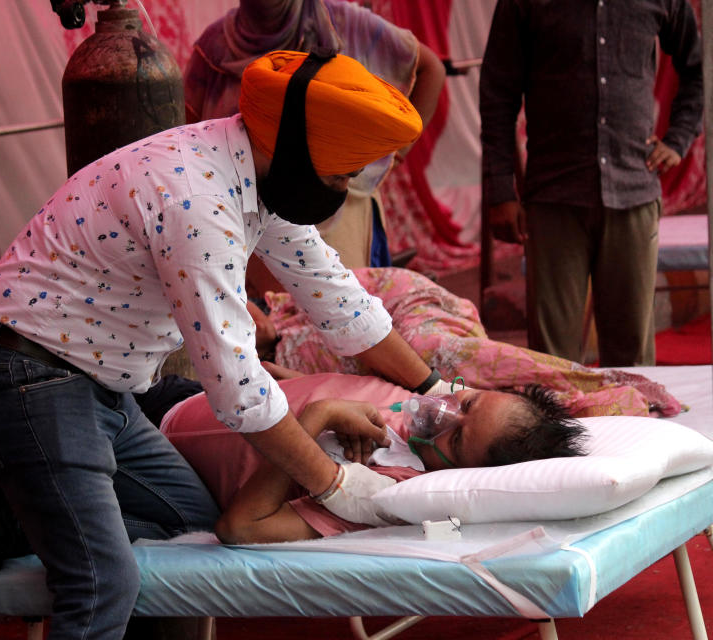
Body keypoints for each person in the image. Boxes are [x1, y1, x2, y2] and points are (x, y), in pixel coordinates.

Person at [0, 50, 451, 640]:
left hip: (98, 390)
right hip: (28, 379)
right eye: (339, 176)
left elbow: (341, 302)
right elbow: (239, 389)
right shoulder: (198, 201)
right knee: (102, 582)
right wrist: (337, 486)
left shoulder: (255, 172)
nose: (340, 190)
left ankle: (12, 512)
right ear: (299, 153)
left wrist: (439, 390)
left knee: (191, 526)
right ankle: (6, 505)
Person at [479, 0, 703, 367]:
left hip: (633, 192)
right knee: (552, 360)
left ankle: (633, 426)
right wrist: (501, 190)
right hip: (553, 197)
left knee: (632, 358)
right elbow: (497, 94)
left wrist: (678, 140)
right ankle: (560, 427)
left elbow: (698, 69)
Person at [159, 373, 585, 543]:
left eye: (455, 443)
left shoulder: (389, 496)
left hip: (160, 451)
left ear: (461, 475)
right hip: (189, 393)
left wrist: (317, 414)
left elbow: (239, 528)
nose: (444, 413)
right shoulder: (411, 403)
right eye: (468, 401)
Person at [184, 0, 446, 273]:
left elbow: (431, 69)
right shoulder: (214, 45)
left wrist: (387, 154)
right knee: (265, 308)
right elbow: (189, 125)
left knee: (332, 293)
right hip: (246, 204)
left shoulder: (342, 22)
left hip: (336, 211)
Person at [255, 266, 684, 418]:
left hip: (402, 310)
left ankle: (594, 381)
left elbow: (352, 304)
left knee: (434, 352)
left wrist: (264, 330)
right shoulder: (256, 373)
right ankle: (562, 399)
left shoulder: (279, 309)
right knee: (451, 404)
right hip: (378, 366)